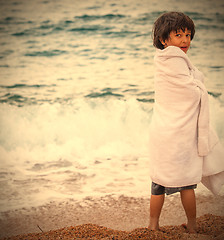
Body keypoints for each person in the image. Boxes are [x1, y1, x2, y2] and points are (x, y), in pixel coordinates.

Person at [149, 12, 224, 233]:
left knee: (157, 184)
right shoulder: (174, 60)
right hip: (178, 135)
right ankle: (191, 227)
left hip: (162, 131)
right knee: (187, 183)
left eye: (188, 35)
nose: (185, 40)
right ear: (164, 40)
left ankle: (153, 225)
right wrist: (198, 82)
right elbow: (189, 93)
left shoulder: (161, 60)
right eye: (178, 35)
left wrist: (193, 82)